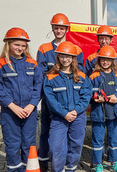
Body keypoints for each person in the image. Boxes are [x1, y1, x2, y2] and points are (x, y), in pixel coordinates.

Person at [36, 13, 85, 171]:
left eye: (61, 28)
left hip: (70, 98)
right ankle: (44, 162)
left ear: (66, 29)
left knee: (72, 136)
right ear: (53, 28)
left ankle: (67, 164)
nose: (59, 30)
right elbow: (40, 74)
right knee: (46, 131)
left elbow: (80, 73)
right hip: (51, 97)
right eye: (56, 28)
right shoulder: (44, 48)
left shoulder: (76, 49)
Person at [43, 41, 92, 172]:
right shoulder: (50, 77)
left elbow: (86, 95)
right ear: (58, 57)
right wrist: (64, 113)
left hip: (78, 117)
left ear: (73, 58)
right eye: (62, 56)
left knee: (75, 146)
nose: (65, 59)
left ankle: (71, 169)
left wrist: (76, 111)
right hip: (59, 118)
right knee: (54, 147)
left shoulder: (82, 76)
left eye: (68, 56)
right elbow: (50, 100)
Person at [0, 28, 42, 172]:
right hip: (10, 113)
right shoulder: (2, 64)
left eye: (23, 46)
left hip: (29, 112)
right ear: (8, 44)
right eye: (17, 45)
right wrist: (13, 107)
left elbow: (38, 86)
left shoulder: (32, 63)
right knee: (12, 145)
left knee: (29, 144)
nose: (20, 48)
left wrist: (31, 105)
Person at [90, 46, 117, 172]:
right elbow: (86, 92)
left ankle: (114, 162)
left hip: (114, 112)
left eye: (108, 59)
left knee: (114, 139)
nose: (105, 62)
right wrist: (95, 98)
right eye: (102, 59)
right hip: (98, 112)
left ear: (113, 61)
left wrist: (116, 96)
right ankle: (97, 164)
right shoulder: (93, 76)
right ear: (99, 60)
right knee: (98, 139)